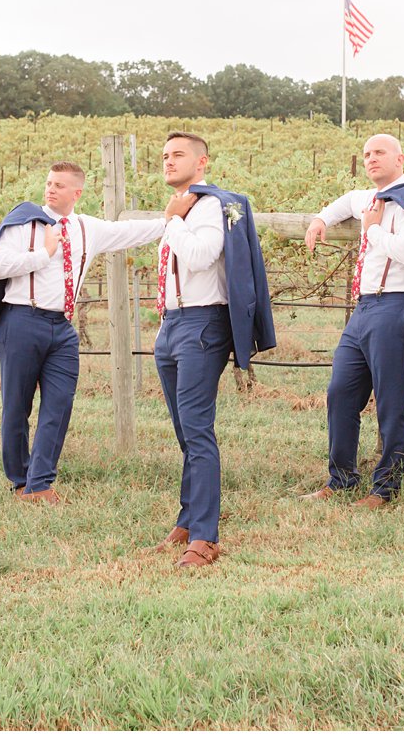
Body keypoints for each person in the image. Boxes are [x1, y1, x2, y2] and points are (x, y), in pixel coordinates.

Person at [0, 161, 165, 502]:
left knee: (59, 404)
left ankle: (40, 483)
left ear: (77, 193)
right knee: (16, 406)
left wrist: (171, 220)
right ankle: (20, 480)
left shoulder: (88, 228)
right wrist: (43, 254)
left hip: (62, 327)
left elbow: (130, 232)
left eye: (59, 184)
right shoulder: (24, 222)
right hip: (21, 321)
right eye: (48, 182)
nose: (51, 189)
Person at [301, 134, 404, 507]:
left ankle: (385, 489)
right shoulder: (366, 198)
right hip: (363, 309)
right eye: (366, 154)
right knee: (340, 392)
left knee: (392, 402)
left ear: (400, 158)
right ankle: (341, 479)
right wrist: (319, 219)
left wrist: (372, 230)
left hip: (399, 306)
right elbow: (346, 201)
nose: (371, 159)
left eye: (379, 153)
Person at [148, 132, 276, 567]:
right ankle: (188, 517)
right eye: (164, 155)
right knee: (186, 431)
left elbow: (202, 256)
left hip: (202, 323)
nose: (168, 161)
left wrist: (172, 220)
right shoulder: (182, 209)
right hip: (172, 323)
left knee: (198, 429)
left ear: (202, 162)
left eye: (178, 155)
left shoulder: (209, 207)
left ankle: (205, 537)